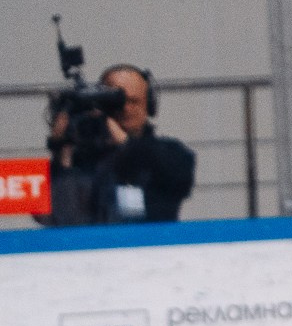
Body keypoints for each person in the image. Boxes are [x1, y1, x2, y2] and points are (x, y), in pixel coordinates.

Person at [39, 63, 196, 226]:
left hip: (149, 247)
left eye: (133, 101)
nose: (125, 108)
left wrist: (126, 144)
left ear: (148, 105)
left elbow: (179, 178)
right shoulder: (83, 157)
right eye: (116, 101)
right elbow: (51, 217)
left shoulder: (170, 153)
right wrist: (63, 149)